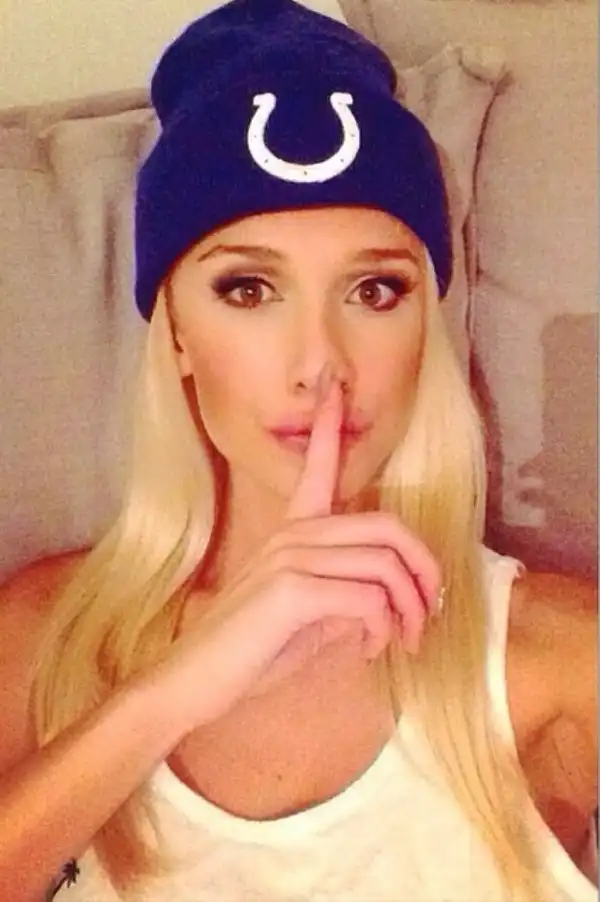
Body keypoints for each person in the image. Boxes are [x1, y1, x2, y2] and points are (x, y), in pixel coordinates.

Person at [0, 0, 596, 899]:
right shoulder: (47, 640)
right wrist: (171, 693)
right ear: (176, 335)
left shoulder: (557, 658)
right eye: (248, 289)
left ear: (424, 326)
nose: (321, 363)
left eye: (375, 290)